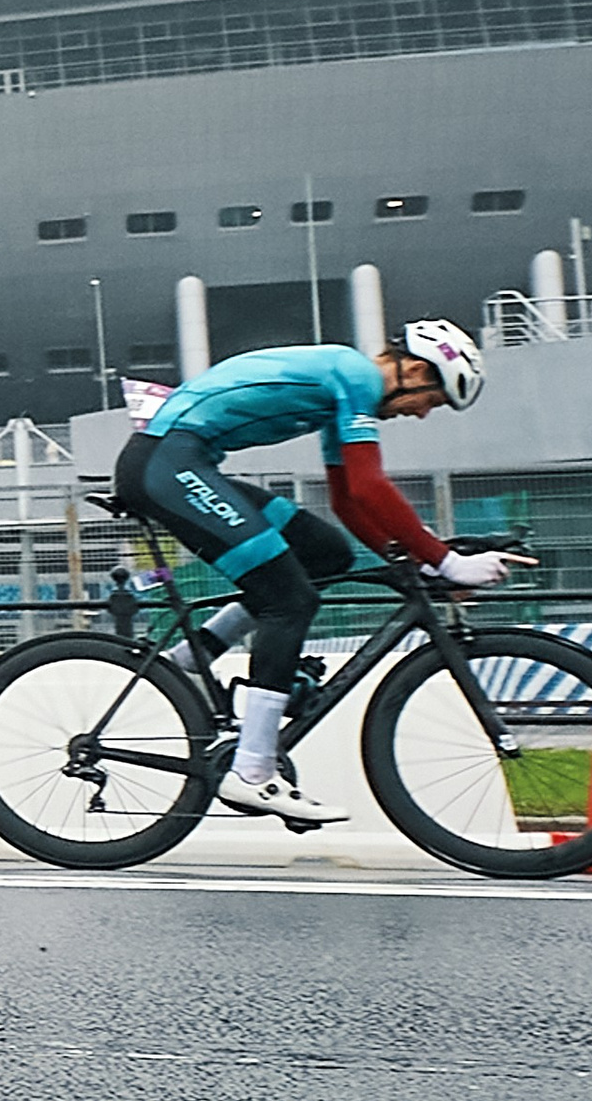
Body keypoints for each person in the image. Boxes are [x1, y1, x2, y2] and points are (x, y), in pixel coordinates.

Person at [114, 320, 522, 824]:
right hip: (166, 466)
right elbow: (372, 487)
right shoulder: (355, 376)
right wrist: (445, 559)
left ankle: (192, 657)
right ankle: (253, 772)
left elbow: (348, 498)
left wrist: (409, 562)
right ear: (415, 370)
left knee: (327, 553)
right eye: (431, 400)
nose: (420, 414)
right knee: (290, 600)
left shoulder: (345, 390)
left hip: (181, 462)